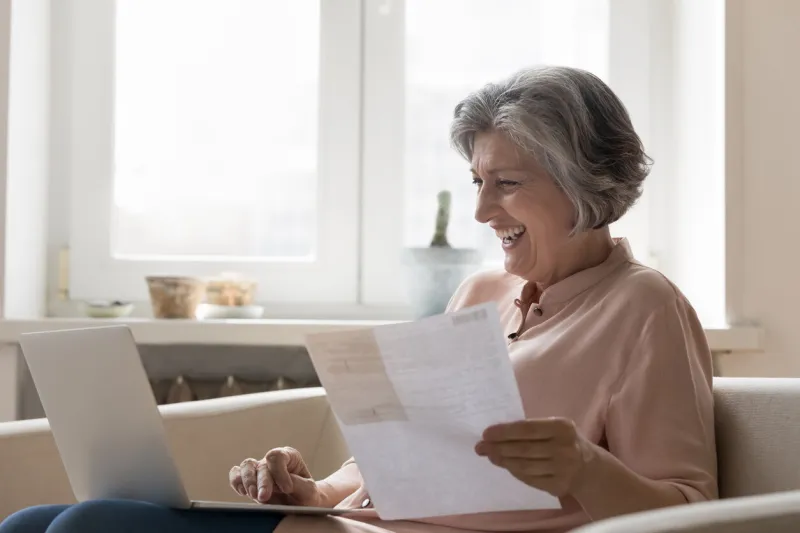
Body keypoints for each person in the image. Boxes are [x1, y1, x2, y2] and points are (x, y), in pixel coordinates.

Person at [0, 65, 717, 533]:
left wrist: (587, 470)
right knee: (28, 524)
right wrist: (312, 488)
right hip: (353, 526)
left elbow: (697, 514)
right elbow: (406, 457)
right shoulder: (482, 292)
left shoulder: (645, 308)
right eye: (476, 181)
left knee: (87, 527)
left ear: (581, 183)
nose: (480, 212)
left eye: (506, 183)